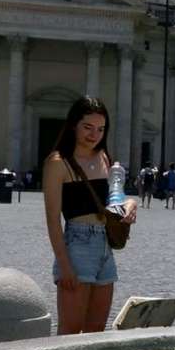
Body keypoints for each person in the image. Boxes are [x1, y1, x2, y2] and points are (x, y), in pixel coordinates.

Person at [41, 97, 138, 335]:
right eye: (88, 127)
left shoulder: (103, 157)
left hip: (105, 246)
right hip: (77, 245)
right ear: (74, 124)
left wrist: (131, 203)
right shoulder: (58, 163)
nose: (94, 134)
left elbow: (114, 198)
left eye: (101, 129)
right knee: (70, 332)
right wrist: (64, 266)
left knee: (96, 331)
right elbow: (53, 220)